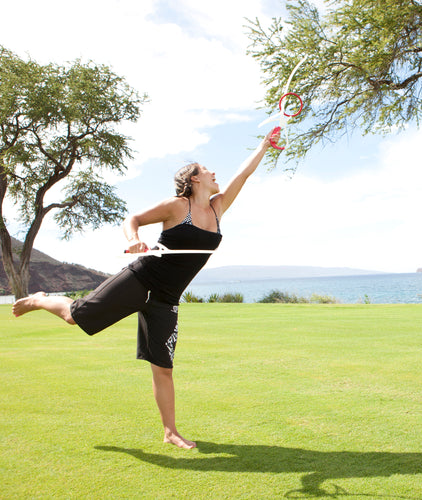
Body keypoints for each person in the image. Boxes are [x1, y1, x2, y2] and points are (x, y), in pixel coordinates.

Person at [12, 128, 280, 449]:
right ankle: (42, 300)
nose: (213, 172)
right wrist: (134, 240)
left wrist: (264, 144)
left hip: (167, 298)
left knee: (163, 368)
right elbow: (133, 219)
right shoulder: (177, 207)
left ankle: (170, 432)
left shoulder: (217, 208)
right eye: (206, 169)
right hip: (142, 278)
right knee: (76, 317)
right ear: (195, 179)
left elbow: (243, 175)